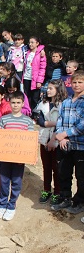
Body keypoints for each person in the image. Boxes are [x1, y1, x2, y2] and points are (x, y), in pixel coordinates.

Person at [0, 91, 34, 221]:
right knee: (4, 181)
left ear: (23, 104)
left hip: (19, 158)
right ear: (9, 103)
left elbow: (30, 141)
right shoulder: (4, 119)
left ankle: (11, 206)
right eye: (13, 103)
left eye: (18, 103)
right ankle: (2, 204)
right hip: (5, 157)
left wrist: (29, 156)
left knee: (16, 182)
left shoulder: (28, 121)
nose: (15, 105)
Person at [50, 72, 84, 214]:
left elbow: (82, 124)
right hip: (65, 145)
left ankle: (80, 201)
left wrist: (66, 134)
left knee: (81, 176)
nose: (76, 85)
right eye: (74, 82)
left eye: (80, 82)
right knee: (63, 172)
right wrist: (61, 137)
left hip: (80, 146)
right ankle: (65, 197)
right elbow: (60, 120)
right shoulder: (66, 101)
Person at [35, 79, 68, 205]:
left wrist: (54, 137)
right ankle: (46, 190)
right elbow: (41, 122)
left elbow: (64, 124)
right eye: (47, 88)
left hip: (57, 141)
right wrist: (58, 122)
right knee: (46, 166)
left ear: (58, 90)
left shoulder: (64, 105)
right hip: (44, 139)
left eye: (51, 88)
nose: (47, 90)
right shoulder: (42, 104)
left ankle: (57, 192)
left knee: (57, 168)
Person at [23, 36, 47, 110]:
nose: (30, 44)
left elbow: (42, 68)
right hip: (26, 77)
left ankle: (35, 114)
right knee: (26, 97)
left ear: (37, 43)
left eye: (32, 42)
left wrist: (39, 81)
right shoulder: (27, 52)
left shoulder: (41, 54)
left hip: (35, 79)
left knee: (35, 98)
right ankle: (27, 112)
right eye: (29, 42)